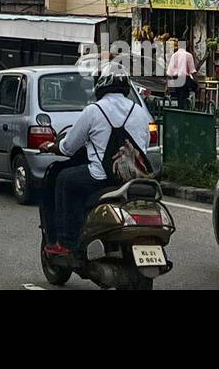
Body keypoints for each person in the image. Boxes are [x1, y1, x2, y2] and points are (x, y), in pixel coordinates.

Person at [40, 61, 151, 260]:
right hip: (134, 179)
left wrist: (51, 146)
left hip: (101, 177)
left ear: (101, 84)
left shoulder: (94, 111)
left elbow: (68, 147)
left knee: (64, 179)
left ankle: (65, 242)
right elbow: (145, 143)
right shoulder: (140, 112)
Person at [165, 39, 198, 109]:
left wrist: (168, 85)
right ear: (186, 46)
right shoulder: (188, 55)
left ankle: (179, 109)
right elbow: (193, 71)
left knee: (178, 97)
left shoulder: (174, 55)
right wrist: (197, 83)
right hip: (184, 79)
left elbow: (169, 73)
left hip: (175, 79)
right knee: (186, 94)